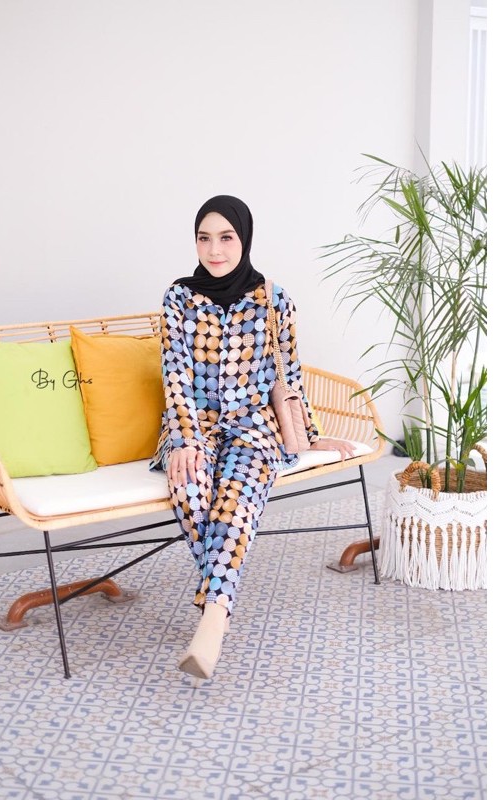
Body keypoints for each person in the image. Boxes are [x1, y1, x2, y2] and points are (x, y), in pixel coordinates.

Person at [150, 195, 357, 684]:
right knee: (190, 488)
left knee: (237, 498)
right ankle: (219, 609)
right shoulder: (179, 298)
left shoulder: (274, 300)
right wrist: (184, 440)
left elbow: (290, 374)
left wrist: (307, 436)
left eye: (226, 237)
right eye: (204, 238)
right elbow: (174, 374)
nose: (214, 250)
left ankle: (212, 623)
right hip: (193, 426)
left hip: (254, 427)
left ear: (244, 238)